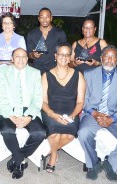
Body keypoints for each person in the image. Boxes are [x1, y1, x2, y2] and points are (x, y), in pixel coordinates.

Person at [78, 45, 117, 181]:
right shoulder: (89, 74)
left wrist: (113, 118)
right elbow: (83, 99)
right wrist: (94, 113)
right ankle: (94, 164)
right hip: (93, 114)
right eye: (106, 56)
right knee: (83, 133)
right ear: (101, 58)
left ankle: (110, 164)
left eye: (113, 57)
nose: (109, 60)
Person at [0, 48, 47, 179]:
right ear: (12, 59)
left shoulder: (35, 73)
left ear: (28, 59)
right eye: (17, 56)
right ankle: (20, 162)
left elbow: (38, 98)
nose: (21, 59)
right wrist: (11, 116)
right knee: (7, 130)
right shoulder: (2, 72)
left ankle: (16, 158)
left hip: (28, 109)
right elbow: (0, 97)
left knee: (40, 133)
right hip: (7, 110)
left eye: (24, 56)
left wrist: (29, 116)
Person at [41, 43, 86, 173]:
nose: (64, 57)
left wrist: (72, 115)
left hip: (71, 112)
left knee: (69, 135)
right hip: (50, 111)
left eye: (67, 54)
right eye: (61, 54)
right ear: (55, 56)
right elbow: (43, 101)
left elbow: (80, 102)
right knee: (54, 133)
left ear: (71, 57)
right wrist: (52, 114)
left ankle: (51, 151)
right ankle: (53, 156)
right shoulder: (46, 75)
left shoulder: (78, 75)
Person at [27, 7, 67, 74]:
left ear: (51, 18)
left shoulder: (60, 33)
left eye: (47, 17)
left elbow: (65, 52)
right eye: (42, 17)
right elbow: (28, 54)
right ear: (38, 19)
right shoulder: (32, 34)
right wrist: (33, 55)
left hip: (55, 69)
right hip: (37, 69)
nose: (44, 20)